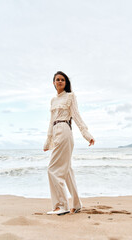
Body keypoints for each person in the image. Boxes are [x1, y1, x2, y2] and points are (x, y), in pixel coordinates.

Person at [43, 71, 95, 215]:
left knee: (52, 169)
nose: (60, 82)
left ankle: (61, 205)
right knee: (66, 171)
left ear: (66, 83)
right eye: (57, 80)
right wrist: (48, 141)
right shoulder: (53, 100)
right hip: (56, 131)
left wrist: (86, 134)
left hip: (65, 131)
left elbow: (77, 116)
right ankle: (77, 204)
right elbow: (51, 121)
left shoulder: (70, 97)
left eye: (62, 80)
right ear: (53, 83)